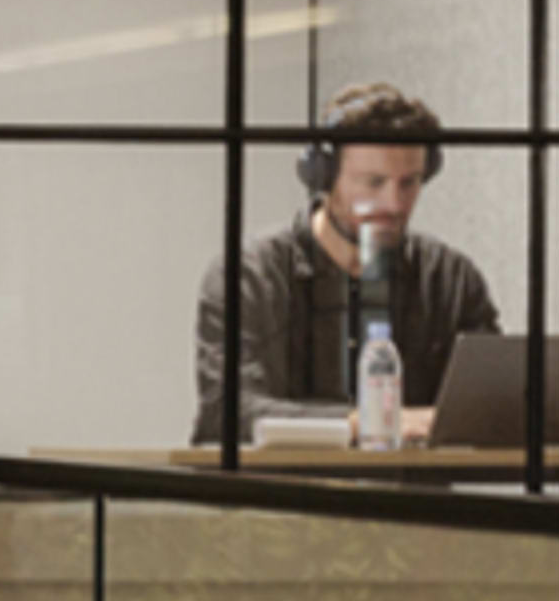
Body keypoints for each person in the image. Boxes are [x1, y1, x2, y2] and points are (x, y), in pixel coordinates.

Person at [193, 80, 502, 448]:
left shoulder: (451, 279)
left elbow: (492, 407)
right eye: (373, 182)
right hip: (280, 502)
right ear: (323, 177)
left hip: (410, 504)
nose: (394, 203)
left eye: (410, 183)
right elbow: (227, 411)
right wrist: (375, 421)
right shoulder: (249, 277)